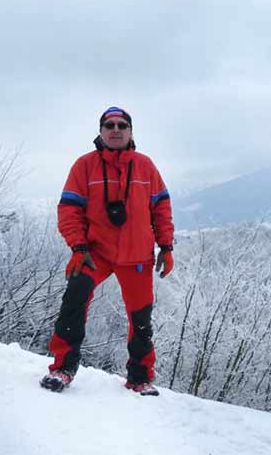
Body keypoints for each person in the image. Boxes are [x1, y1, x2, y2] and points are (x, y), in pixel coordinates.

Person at [40, 106, 175, 396]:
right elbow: (69, 208)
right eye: (109, 125)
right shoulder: (84, 166)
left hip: (137, 255)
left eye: (122, 125)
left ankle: (139, 378)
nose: (116, 129)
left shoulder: (145, 166)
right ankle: (63, 369)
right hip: (94, 253)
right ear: (100, 131)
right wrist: (78, 247)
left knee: (141, 320)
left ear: (130, 131)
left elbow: (161, 206)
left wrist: (166, 246)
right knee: (73, 301)